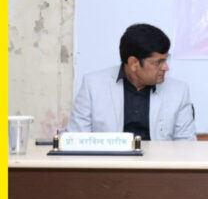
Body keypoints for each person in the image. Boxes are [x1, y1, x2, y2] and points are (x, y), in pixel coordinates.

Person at [67, 23, 196, 141]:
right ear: (134, 63)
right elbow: (75, 140)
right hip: (109, 159)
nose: (165, 68)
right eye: (158, 62)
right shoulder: (93, 85)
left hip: (159, 159)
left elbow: (186, 145)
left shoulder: (179, 91)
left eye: (165, 60)